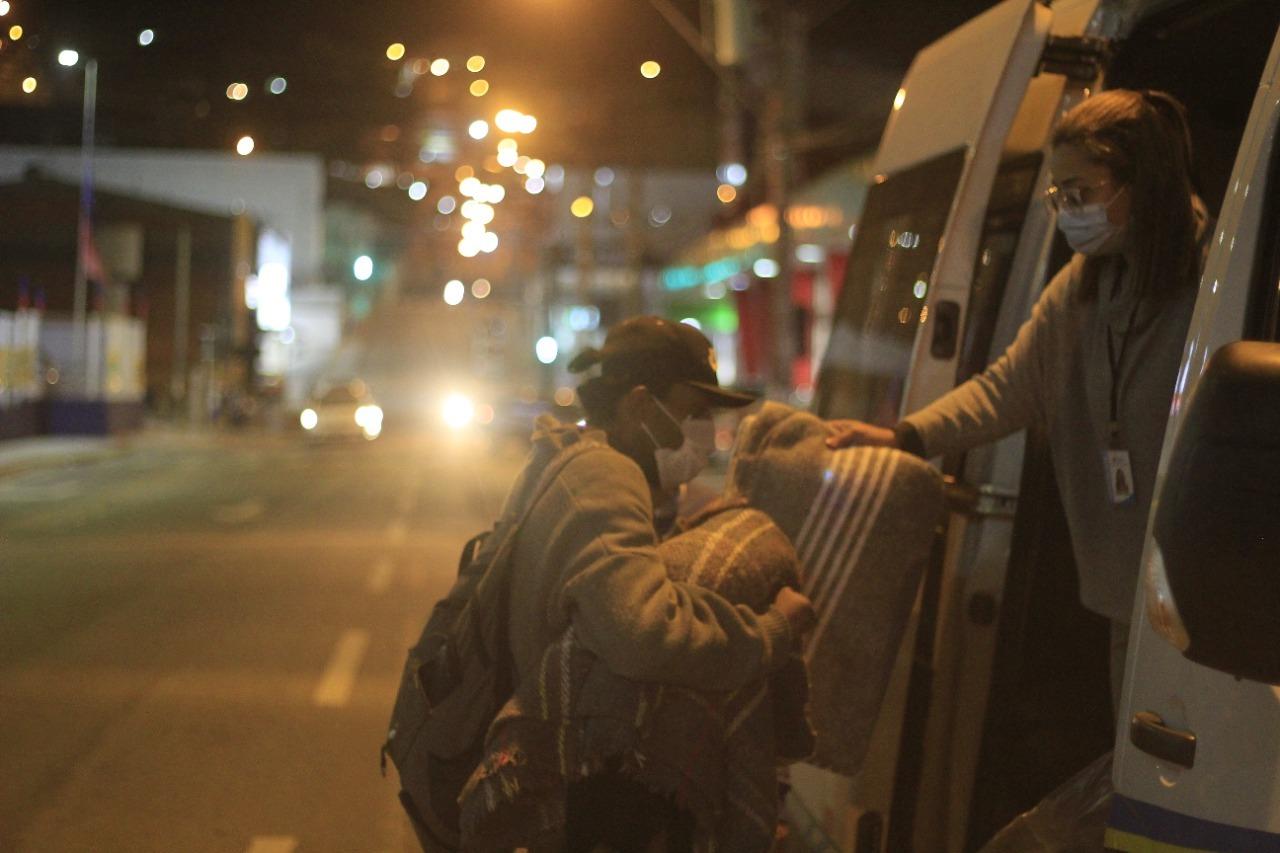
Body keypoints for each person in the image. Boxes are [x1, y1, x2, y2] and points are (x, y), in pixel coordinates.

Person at [826, 89, 1210, 707]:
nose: (1067, 212)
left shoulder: (1215, 278)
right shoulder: (1082, 285)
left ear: (1143, 179)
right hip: (1125, 599)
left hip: (1207, 600)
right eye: (1059, 196)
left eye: (1080, 192)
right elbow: (1008, 388)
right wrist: (904, 437)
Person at [505, 315, 816, 852]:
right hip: (577, 800)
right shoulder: (606, 479)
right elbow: (644, 637)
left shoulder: (573, 460)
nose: (706, 435)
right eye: (694, 412)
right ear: (642, 405)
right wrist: (772, 632)